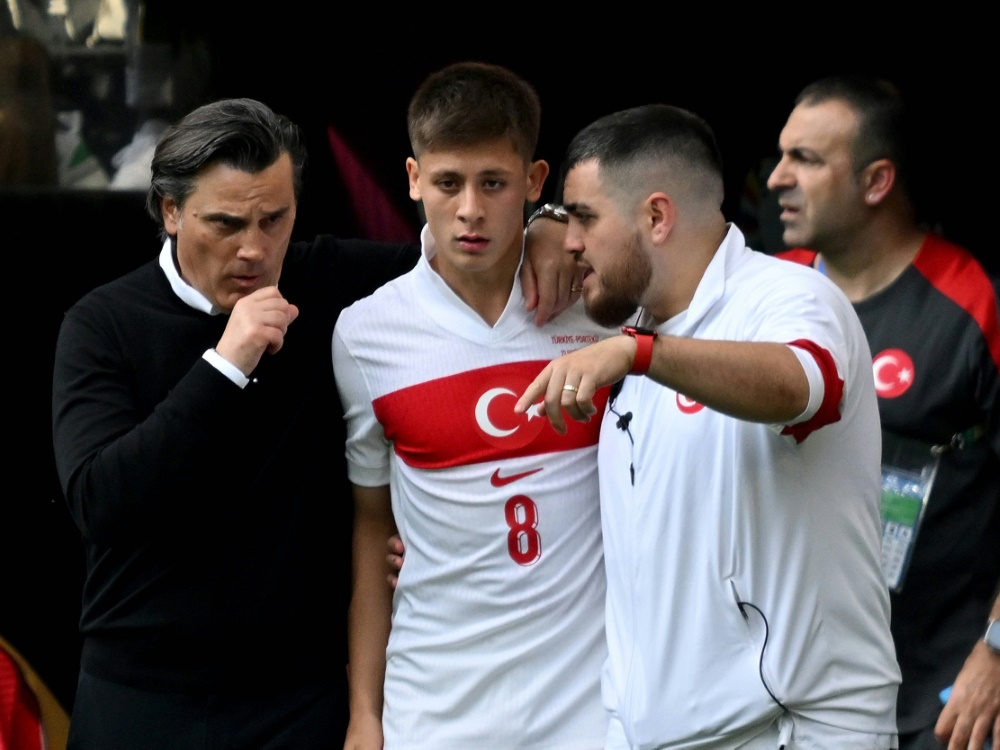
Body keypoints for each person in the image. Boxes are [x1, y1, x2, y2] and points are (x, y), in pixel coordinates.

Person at [50, 96, 578, 750]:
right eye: (226, 223)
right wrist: (225, 364)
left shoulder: (333, 283)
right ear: (170, 213)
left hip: (300, 698)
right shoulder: (101, 326)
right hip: (141, 692)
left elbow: (462, 251)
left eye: (274, 220)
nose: (254, 248)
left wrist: (550, 228)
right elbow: (102, 504)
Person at [515, 103, 902, 749]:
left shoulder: (788, 296)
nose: (570, 241)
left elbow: (801, 383)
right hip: (647, 731)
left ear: (657, 217)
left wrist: (640, 354)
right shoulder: (639, 332)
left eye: (582, 216)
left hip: (793, 728)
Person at [333, 62, 610, 749]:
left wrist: (554, 228)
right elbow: (372, 533)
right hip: (434, 706)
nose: (470, 210)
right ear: (412, 177)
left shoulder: (601, 307)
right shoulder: (367, 333)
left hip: (594, 704)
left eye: (494, 183)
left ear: (536, 182)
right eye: (448, 183)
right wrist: (364, 715)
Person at [767, 74, 1000, 750]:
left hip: (947, 690)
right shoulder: (766, 293)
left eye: (805, 159)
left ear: (876, 182)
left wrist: (994, 651)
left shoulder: (975, 303)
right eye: (781, 155)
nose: (777, 176)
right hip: (795, 683)